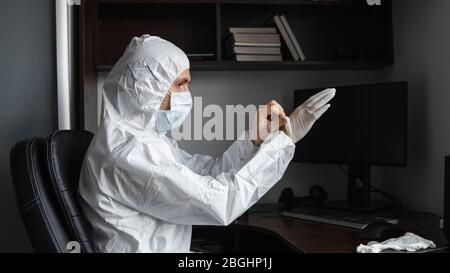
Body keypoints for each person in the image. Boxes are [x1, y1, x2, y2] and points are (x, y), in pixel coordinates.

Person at [78, 35, 336, 253]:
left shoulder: (144, 139)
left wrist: (255, 140)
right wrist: (284, 141)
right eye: (180, 84)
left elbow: (206, 174)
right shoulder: (128, 154)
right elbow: (218, 201)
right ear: (147, 88)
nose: (187, 95)